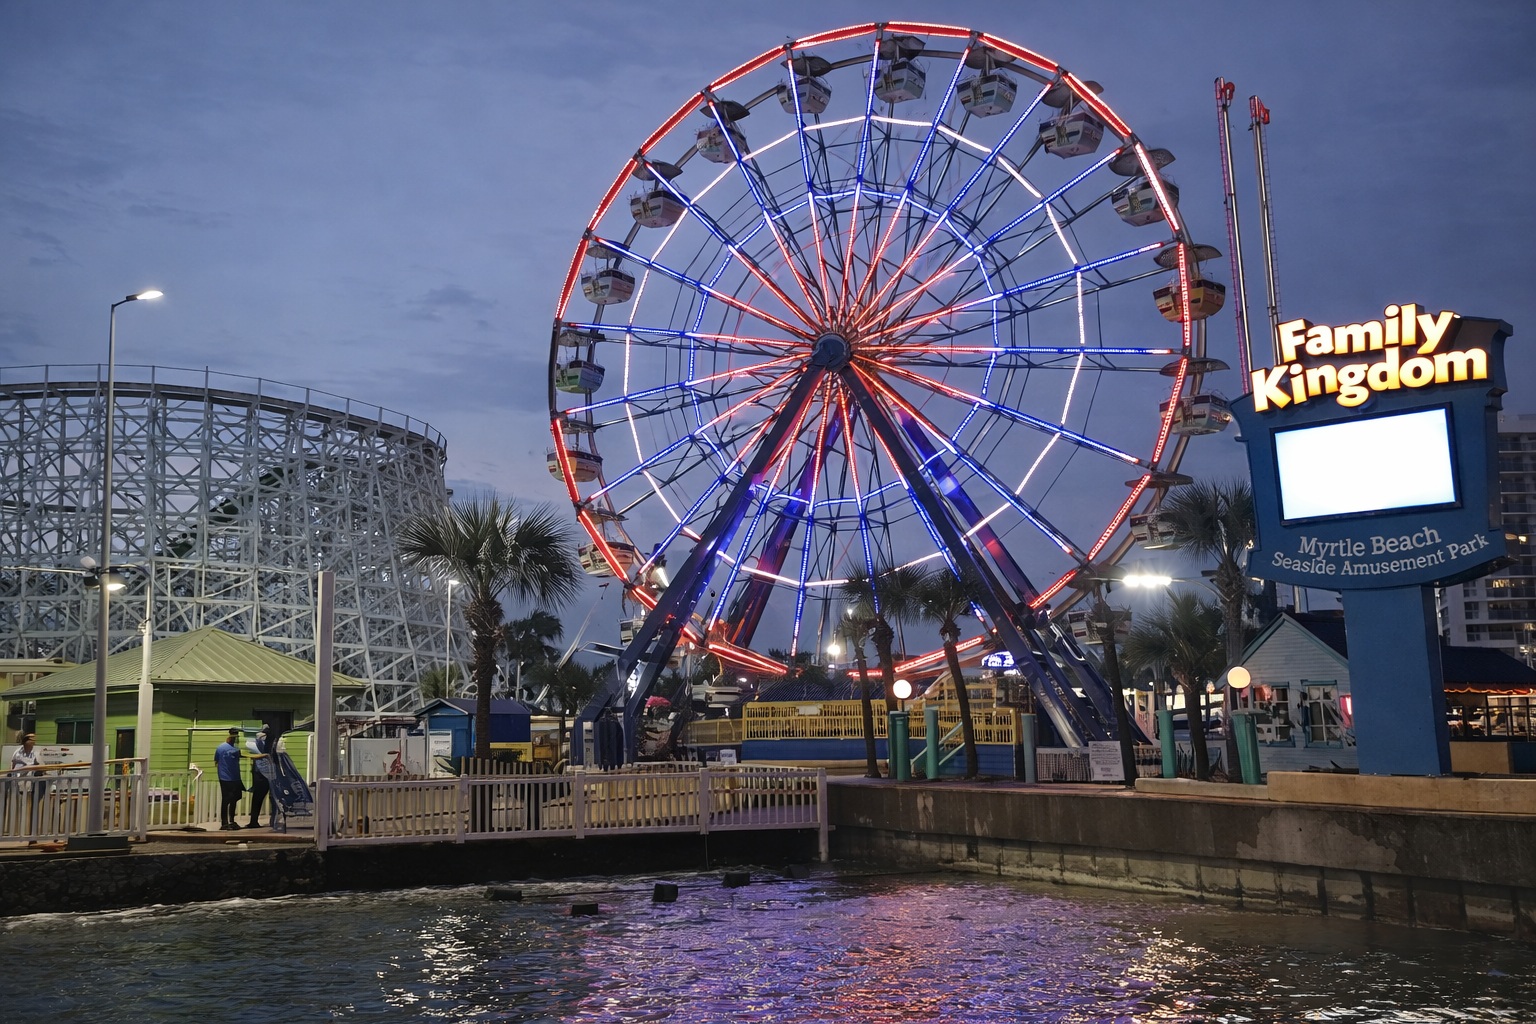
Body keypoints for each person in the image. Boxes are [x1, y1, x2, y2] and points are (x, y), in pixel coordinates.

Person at [245, 724, 275, 829]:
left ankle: (254, 821)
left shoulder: (253, 744)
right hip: (270, 773)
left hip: (258, 773)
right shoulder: (271, 744)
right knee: (273, 798)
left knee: (257, 799)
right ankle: (273, 820)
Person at [215, 728, 245, 830]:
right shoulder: (221, 747)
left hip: (235, 777)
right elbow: (216, 761)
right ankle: (224, 823)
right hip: (225, 778)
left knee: (235, 798)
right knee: (226, 799)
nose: (235, 738)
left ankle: (232, 820)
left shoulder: (236, 748)